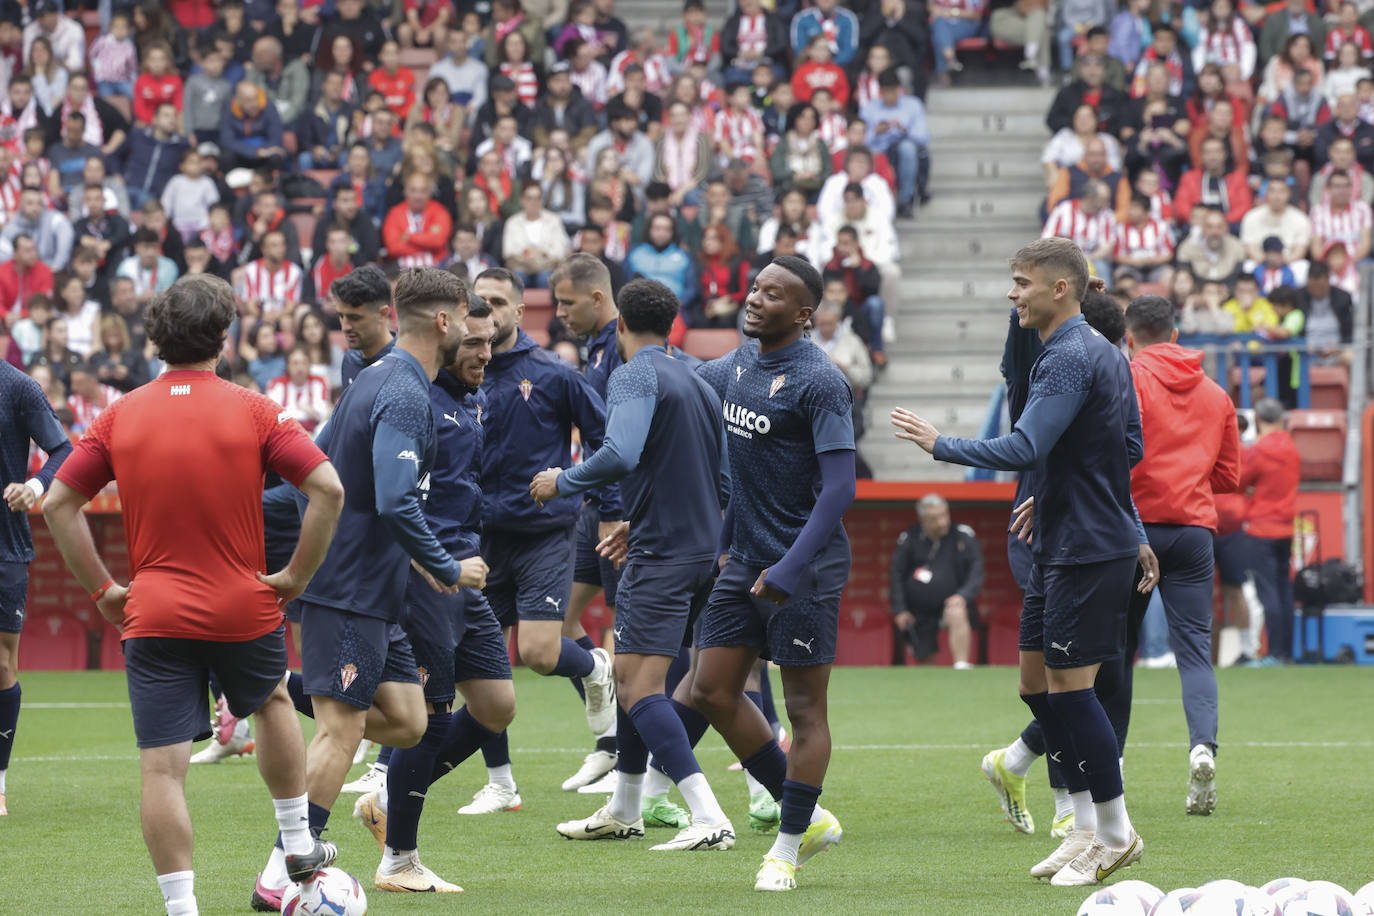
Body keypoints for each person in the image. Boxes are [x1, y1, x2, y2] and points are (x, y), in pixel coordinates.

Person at [41, 274, 343, 915]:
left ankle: (183, 910)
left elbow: (59, 501)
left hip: (153, 611)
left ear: (154, 339)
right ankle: (296, 843)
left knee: (161, 771)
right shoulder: (254, 408)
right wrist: (296, 578)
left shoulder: (119, 415)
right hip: (244, 604)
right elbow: (329, 489)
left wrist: (101, 588)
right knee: (271, 701)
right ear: (225, 337)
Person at [892, 238, 1148, 886]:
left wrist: (939, 443)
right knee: (1034, 685)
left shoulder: (1064, 356)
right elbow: (1128, 446)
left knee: (1074, 689)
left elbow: (1029, 441)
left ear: (1060, 289)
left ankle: (1115, 832)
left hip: (1088, 550)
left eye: (1021, 283)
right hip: (1066, 537)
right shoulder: (1106, 353)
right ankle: (1084, 826)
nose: (1013, 295)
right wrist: (1051, 489)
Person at [250, 268, 486, 909]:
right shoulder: (404, 389)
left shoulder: (378, 379)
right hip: (350, 586)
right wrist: (446, 566)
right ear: (443, 321)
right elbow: (394, 501)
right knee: (342, 730)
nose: (472, 327)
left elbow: (316, 467)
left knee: (409, 723)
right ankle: (282, 871)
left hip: (375, 594)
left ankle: (265, 692)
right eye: (466, 315)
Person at [541, 276, 736, 850]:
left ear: (620, 324)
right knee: (639, 679)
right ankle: (625, 806)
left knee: (638, 685)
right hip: (702, 553)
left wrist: (562, 480)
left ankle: (707, 816)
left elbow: (619, 453)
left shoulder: (632, 373)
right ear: (673, 324)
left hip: (662, 557)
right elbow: (723, 480)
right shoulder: (699, 381)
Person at [689, 255, 854, 892]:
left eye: (773, 294)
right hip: (749, 559)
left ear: (804, 313)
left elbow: (840, 489)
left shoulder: (820, 380)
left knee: (806, 708)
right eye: (755, 286)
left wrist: (789, 566)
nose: (755, 299)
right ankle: (804, 813)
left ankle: (785, 849)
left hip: (804, 567)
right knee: (710, 689)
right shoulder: (734, 366)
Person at [349, 299, 515, 892]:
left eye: (491, 342)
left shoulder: (473, 399)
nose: (484, 354)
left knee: (496, 706)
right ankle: (399, 858)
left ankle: (384, 798)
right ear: (445, 339)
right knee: (430, 717)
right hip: (425, 575)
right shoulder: (412, 397)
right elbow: (391, 493)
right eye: (473, 343)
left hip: (463, 572)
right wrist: (427, 562)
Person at [472, 266, 616, 802]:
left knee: (536, 652)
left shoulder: (552, 373)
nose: (488, 313)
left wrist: (606, 507)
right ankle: (501, 783)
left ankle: (595, 665)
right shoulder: (461, 372)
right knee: (477, 661)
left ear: (517, 310)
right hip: (482, 538)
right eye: (479, 303)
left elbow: (605, 439)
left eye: (497, 303)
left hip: (543, 534)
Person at [1120, 294, 1241, 816]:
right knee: (1194, 649)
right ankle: (1201, 748)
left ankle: (1111, 766)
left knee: (1115, 650)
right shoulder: (1216, 394)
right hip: (1193, 529)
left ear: (1131, 337)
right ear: (1175, 333)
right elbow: (1230, 477)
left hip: (1134, 530)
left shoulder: (1128, 380)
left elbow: (1111, 454)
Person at [547, 254, 628, 794]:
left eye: (566, 302)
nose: (557, 314)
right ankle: (610, 740)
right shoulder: (597, 348)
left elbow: (621, 440)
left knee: (628, 634)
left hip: (620, 510)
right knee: (557, 624)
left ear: (597, 298)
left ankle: (626, 758)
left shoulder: (624, 346)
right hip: (593, 505)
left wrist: (618, 510)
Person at [0, 334, 73, 817]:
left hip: (5, 546)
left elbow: (65, 450)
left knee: (3, 664)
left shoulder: (18, 387)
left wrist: (33, 485)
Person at [889, 494, 985, 668]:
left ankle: (961, 666)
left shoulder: (963, 535)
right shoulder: (909, 538)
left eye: (944, 515)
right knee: (924, 663)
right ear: (923, 520)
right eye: (934, 518)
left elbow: (976, 570)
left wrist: (963, 596)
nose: (942, 522)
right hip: (919, 610)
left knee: (956, 610)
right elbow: (896, 574)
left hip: (953, 603)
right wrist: (900, 609)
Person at [1240, 398, 1301, 665]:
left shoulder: (1259, 450)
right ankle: (1285, 651)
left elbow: (1240, 481)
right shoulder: (1291, 448)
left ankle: (1274, 652)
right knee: (1284, 590)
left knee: (1268, 593)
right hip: (1286, 527)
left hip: (1262, 527)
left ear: (1257, 419)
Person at [860, 70, 929, 219]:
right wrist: (875, 132)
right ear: (880, 91)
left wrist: (904, 130)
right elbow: (859, 138)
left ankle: (904, 200)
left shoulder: (913, 105)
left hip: (904, 148)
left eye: (893, 91)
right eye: (885, 92)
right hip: (879, 148)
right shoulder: (870, 108)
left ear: (899, 88)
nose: (889, 96)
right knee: (868, 154)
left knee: (908, 149)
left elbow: (923, 137)